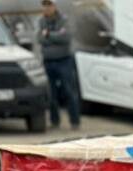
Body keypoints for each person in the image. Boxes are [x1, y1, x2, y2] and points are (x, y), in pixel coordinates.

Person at [39, 0, 81, 129]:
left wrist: (48, 35)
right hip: (48, 61)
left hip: (64, 60)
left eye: (49, 5)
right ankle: (54, 121)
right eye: (45, 5)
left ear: (54, 6)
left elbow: (65, 37)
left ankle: (74, 121)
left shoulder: (64, 20)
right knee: (51, 93)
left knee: (69, 91)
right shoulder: (41, 21)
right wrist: (55, 36)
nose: (47, 8)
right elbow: (39, 38)